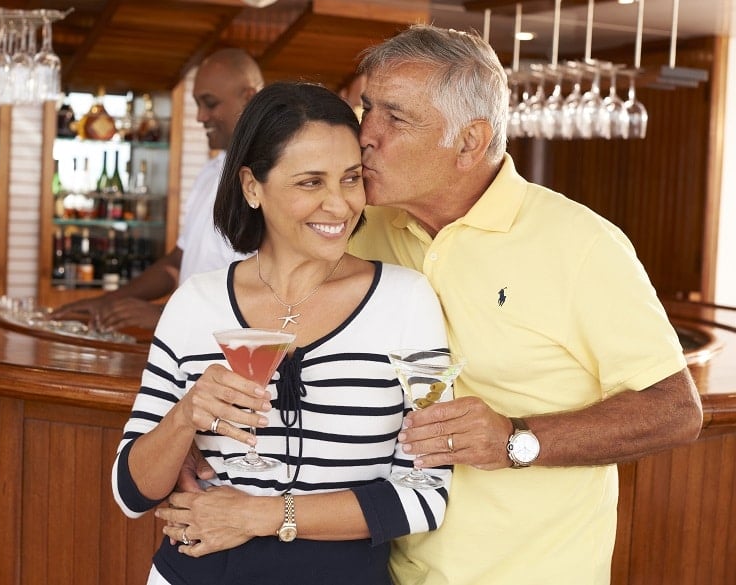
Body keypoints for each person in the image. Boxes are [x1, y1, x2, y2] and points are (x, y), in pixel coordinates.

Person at [346, 24, 704, 585]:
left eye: (395, 117)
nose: (365, 133)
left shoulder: (583, 245)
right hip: (388, 567)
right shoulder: (363, 231)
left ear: (468, 141)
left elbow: (676, 411)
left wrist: (514, 439)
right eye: (367, 108)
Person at [111, 82, 452, 585]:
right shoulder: (194, 304)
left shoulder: (408, 301)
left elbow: (426, 495)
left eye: (350, 179)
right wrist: (186, 416)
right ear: (252, 186)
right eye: (310, 183)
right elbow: (131, 492)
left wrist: (262, 515)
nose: (338, 205)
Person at [51, 48, 264, 332]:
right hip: (189, 345)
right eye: (198, 104)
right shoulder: (211, 172)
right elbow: (177, 262)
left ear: (248, 99)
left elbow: (266, 290)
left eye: (210, 103)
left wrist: (164, 315)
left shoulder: (267, 181)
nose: (200, 116)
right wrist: (107, 301)